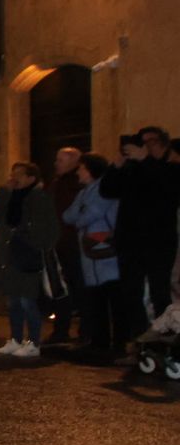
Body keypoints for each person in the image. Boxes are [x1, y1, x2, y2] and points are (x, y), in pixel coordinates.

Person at [100, 126, 179, 329]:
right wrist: (115, 166)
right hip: (129, 241)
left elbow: (168, 187)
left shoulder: (171, 168)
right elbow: (107, 190)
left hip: (158, 242)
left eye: (150, 142)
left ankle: (163, 343)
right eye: (141, 142)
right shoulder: (132, 170)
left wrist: (146, 160)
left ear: (163, 144)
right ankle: (139, 342)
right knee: (131, 293)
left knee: (159, 292)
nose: (145, 147)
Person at [0, 162, 60, 358]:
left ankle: (34, 341)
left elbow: (48, 228)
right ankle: (15, 338)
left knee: (27, 300)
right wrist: (3, 192)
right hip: (8, 255)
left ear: (30, 178)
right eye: (12, 173)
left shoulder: (39, 198)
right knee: (13, 301)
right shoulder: (11, 196)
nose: (14, 177)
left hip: (27, 256)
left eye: (19, 174)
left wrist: (32, 242)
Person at [63, 153, 124, 362]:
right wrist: (81, 212)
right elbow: (68, 215)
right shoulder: (84, 192)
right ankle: (100, 341)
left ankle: (118, 344)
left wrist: (81, 213)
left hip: (105, 254)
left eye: (81, 168)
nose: (78, 172)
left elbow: (86, 216)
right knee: (96, 301)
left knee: (113, 300)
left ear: (90, 169)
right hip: (91, 256)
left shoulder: (102, 188)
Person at [45, 147, 85, 343]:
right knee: (61, 289)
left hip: (72, 245)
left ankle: (83, 331)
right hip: (59, 244)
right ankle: (61, 329)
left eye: (60, 160)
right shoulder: (57, 184)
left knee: (77, 287)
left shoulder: (74, 184)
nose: (56, 164)